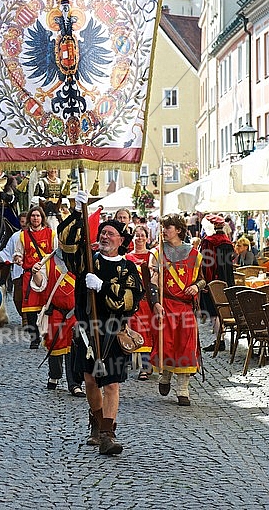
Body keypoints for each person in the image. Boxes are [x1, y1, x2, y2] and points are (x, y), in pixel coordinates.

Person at [58, 191, 144, 455]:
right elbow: (67, 245)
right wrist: (76, 211)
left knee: (112, 384)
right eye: (102, 233)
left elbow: (129, 300)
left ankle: (108, 434)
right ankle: (96, 419)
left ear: (121, 241)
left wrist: (103, 287)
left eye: (110, 234)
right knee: (91, 381)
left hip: (114, 334)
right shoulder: (88, 261)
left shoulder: (128, 268)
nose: (104, 237)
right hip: (88, 331)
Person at [149, 214, 206, 407]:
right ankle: (165, 375)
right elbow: (152, 283)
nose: (164, 231)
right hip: (166, 306)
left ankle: (183, 389)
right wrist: (156, 303)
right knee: (167, 344)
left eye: (168, 227)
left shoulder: (194, 254)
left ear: (179, 230)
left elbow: (203, 279)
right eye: (163, 227)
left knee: (186, 345)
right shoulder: (157, 253)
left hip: (185, 307)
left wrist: (197, 287)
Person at [30, 250, 85, 397]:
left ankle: (75, 384)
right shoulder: (48, 260)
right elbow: (40, 284)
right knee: (55, 346)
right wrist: (35, 272)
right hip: (56, 312)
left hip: (75, 314)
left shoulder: (81, 258)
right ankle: (54, 374)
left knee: (75, 347)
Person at [13, 206, 57, 348]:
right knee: (31, 309)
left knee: (46, 307)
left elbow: (56, 253)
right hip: (30, 275)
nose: (35, 218)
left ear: (42, 218)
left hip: (47, 274)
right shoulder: (23, 235)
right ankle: (34, 338)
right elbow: (18, 252)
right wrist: (18, 258)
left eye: (38, 216)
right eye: (33, 216)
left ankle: (47, 334)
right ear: (29, 218)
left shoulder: (51, 234)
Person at [199, 214, 235, 353]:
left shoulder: (209, 242)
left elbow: (208, 264)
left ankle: (219, 340)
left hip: (213, 282)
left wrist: (206, 283)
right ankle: (221, 338)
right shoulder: (227, 241)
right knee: (223, 310)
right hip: (227, 280)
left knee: (214, 312)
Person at [125, 225, 154, 380]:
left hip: (147, 301)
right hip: (133, 301)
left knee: (147, 333)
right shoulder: (127, 257)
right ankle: (131, 363)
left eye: (143, 235)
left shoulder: (152, 256)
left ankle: (145, 366)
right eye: (137, 235)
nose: (140, 238)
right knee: (133, 331)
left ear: (147, 238)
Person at [0, 211, 28, 318]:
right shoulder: (15, 236)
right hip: (19, 273)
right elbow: (8, 252)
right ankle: (24, 317)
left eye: (26, 221)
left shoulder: (37, 234)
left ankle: (30, 319)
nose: (24, 224)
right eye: (22, 221)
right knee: (17, 299)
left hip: (35, 272)